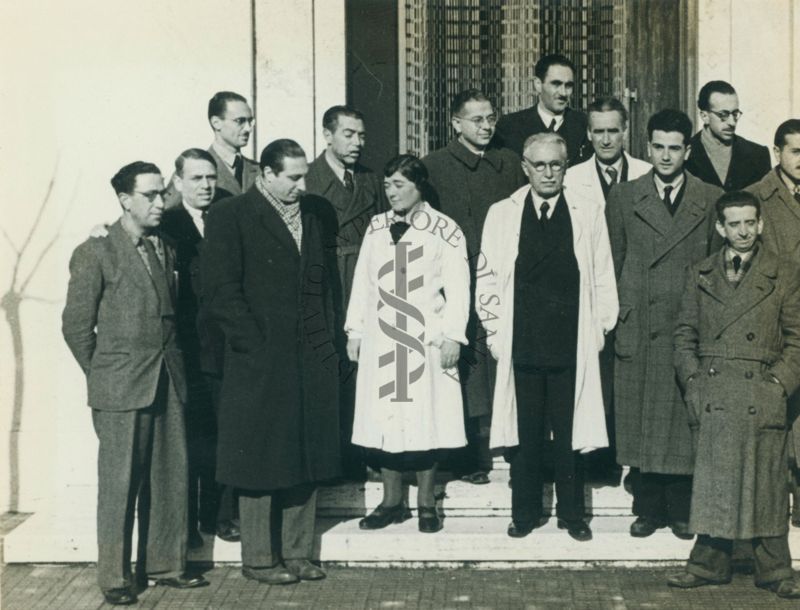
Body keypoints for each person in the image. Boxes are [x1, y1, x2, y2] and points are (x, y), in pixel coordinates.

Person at [62, 161, 208, 605]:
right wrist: (104, 372)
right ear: (125, 200)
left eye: (162, 193)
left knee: (170, 479)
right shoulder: (96, 251)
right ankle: (115, 578)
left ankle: (167, 565)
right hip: (120, 388)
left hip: (168, 380)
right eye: (150, 195)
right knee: (120, 485)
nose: (160, 202)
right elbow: (75, 327)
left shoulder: (164, 247)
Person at [201, 139, 341, 584]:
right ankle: (260, 559)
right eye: (293, 177)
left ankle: (298, 553)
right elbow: (221, 291)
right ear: (266, 173)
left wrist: (328, 342)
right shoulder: (231, 215)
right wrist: (254, 345)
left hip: (310, 357)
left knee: (306, 453)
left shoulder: (316, 213)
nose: (303, 185)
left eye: (304, 176)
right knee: (259, 456)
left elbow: (324, 283)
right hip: (258, 360)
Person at [477, 132, 618, 541]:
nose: (548, 173)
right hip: (521, 341)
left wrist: (601, 327)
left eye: (556, 164)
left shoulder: (587, 211)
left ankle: (572, 515)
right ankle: (524, 512)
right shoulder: (502, 213)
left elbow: (603, 271)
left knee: (570, 432)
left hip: (569, 342)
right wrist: (494, 333)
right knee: (524, 433)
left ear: (565, 167)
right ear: (525, 167)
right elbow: (485, 278)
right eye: (539, 165)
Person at [669, 190, 800, 600]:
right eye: (734, 224)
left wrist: (779, 383)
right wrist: (693, 381)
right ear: (720, 228)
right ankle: (708, 563)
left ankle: (775, 569)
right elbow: (684, 335)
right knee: (715, 478)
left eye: (750, 222)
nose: (743, 231)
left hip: (760, 392)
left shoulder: (785, 273)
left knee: (766, 482)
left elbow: (798, 340)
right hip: (713, 390)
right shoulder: (700, 272)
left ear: (760, 224)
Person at [606, 109, 724, 540]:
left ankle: (681, 508)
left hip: (686, 324)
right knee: (643, 416)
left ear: (687, 150)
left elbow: (714, 266)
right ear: (647, 147)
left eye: (676, 147)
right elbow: (612, 261)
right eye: (659, 146)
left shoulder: (710, 198)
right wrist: (617, 315)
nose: (667, 155)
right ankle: (648, 507)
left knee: (683, 415)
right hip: (641, 320)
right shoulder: (623, 196)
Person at [345, 154, 470, 533]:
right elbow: (364, 282)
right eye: (388, 185)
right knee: (385, 420)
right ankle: (391, 501)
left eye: (399, 185)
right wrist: (356, 331)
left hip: (425, 340)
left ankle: (427, 503)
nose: (392, 192)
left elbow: (459, 287)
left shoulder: (445, 229)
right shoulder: (376, 227)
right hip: (383, 340)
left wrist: (453, 335)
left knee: (425, 420)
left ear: (419, 187)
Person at [423, 89, 527, 485]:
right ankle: (463, 455)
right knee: (463, 365)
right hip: (453, 280)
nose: (486, 126)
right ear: (456, 124)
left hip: (501, 276)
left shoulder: (510, 163)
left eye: (490, 118)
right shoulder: (434, 166)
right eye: (476, 120)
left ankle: (509, 444)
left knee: (500, 357)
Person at [563, 97, 651, 484]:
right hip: (590, 296)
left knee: (635, 381)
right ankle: (596, 461)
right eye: (597, 131)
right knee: (595, 378)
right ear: (587, 134)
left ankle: (634, 462)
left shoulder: (648, 173)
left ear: (626, 130)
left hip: (636, 296)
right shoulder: (570, 178)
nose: (605, 139)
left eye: (613, 130)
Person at [160, 148, 238, 547]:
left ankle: (220, 515)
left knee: (224, 436)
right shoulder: (166, 224)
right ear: (177, 182)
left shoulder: (229, 213)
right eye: (196, 179)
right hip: (185, 352)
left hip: (224, 350)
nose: (206, 185)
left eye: (210, 178)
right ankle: (186, 524)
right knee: (189, 440)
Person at [305, 105, 389, 479]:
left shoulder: (371, 180)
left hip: (365, 280)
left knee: (364, 367)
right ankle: (332, 457)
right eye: (349, 134)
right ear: (327, 135)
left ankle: (363, 453)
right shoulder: (306, 178)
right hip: (324, 281)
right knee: (328, 364)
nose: (358, 143)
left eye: (362, 135)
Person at [747, 118, 800, 526]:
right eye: (796, 151)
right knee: (777, 408)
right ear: (777, 152)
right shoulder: (757, 200)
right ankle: (774, 496)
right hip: (776, 320)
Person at [164, 91, 259, 208]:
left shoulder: (259, 170)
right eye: (240, 121)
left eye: (250, 121)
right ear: (216, 123)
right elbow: (167, 212)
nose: (248, 128)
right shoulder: (192, 168)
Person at [495, 53, 588, 165]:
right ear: (538, 84)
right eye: (556, 84)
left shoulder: (585, 124)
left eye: (568, 85)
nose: (563, 93)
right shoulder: (509, 126)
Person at [685, 81, 771, 191]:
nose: (732, 122)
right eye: (723, 115)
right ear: (705, 116)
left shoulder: (758, 155)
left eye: (735, 114)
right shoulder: (684, 154)